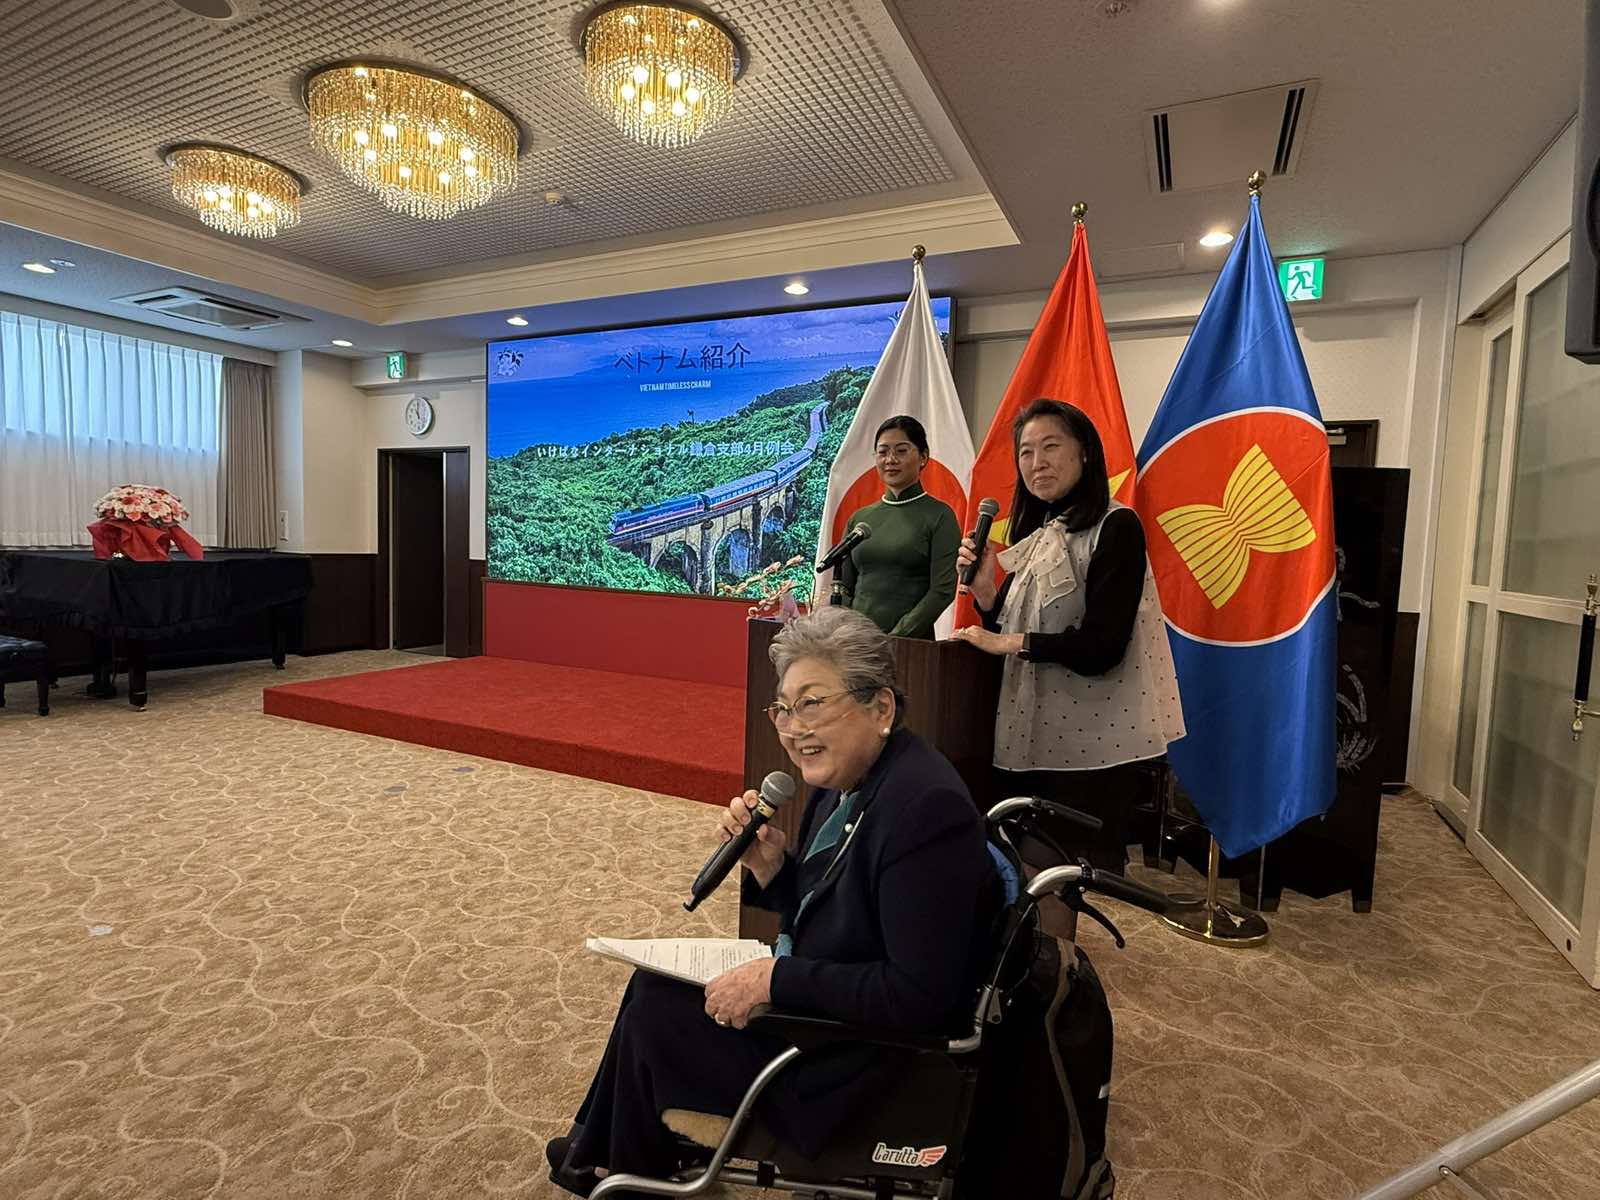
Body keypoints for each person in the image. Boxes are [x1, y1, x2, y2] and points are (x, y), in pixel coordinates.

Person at [546, 607, 998, 1195]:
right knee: (653, 984)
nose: (793, 728)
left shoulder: (924, 809)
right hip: (826, 1007)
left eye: (812, 703)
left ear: (881, 708)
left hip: (855, 1060)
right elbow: (830, 909)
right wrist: (771, 868)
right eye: (783, 708)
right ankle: (603, 1148)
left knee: (659, 1018)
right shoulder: (846, 781)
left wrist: (774, 981)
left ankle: (625, 1171)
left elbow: (918, 998)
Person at [950, 398, 1185, 875]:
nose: (1037, 462)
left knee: (1061, 876)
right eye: (1026, 452)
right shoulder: (1040, 535)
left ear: (1085, 453)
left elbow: (1103, 646)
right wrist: (987, 593)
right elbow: (1008, 632)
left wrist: (1011, 643)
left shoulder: (1116, 526)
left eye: (1051, 446)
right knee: (1024, 872)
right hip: (1027, 733)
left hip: (1089, 749)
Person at [834, 414, 962, 639]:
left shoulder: (940, 516)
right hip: (855, 644)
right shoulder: (860, 519)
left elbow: (942, 590)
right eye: (882, 452)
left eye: (901, 451)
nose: (890, 459)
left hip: (911, 646)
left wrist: (896, 637)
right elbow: (843, 586)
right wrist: (852, 632)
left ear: (923, 457)